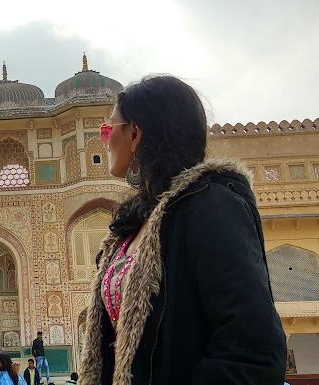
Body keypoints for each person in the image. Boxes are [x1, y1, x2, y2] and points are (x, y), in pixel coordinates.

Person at [78, 74, 287, 385]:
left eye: (109, 129)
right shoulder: (134, 227)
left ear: (135, 133)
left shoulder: (210, 205)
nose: (104, 139)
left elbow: (250, 344)